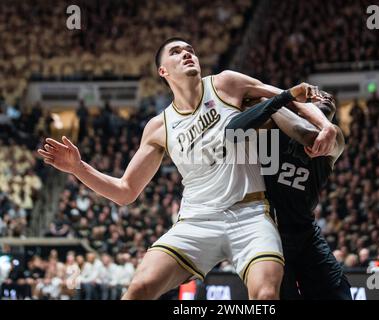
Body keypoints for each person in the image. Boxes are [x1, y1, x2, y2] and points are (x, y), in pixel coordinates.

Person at [37, 37, 336, 300]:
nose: (187, 54)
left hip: (250, 214)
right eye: (177, 52)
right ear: (163, 71)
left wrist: (325, 126)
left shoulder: (225, 84)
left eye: (190, 50)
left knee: (266, 294)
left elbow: (289, 97)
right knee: (139, 288)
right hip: (196, 220)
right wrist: (78, 168)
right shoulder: (158, 127)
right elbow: (125, 191)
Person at [226, 90, 352, 299]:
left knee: (337, 292)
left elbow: (306, 134)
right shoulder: (269, 130)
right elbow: (232, 131)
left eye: (330, 99)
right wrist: (279, 103)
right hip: (268, 235)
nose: (327, 98)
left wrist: (270, 101)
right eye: (317, 96)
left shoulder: (334, 136)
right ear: (301, 106)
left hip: (305, 232)